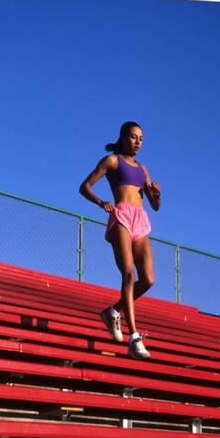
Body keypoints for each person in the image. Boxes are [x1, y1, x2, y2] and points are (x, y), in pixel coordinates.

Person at [79, 121, 161, 359]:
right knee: (128, 274)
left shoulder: (143, 169)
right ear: (124, 137)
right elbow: (84, 186)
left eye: (141, 139)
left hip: (141, 221)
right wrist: (100, 202)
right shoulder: (112, 161)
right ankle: (134, 338)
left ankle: (113, 311)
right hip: (122, 216)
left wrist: (156, 195)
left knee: (148, 280)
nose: (138, 142)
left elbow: (155, 206)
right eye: (134, 137)